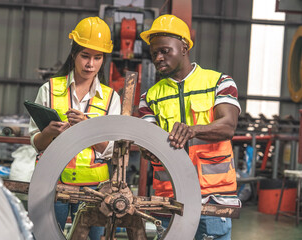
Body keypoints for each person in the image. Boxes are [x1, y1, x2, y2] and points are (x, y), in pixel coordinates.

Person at [138, 15, 241, 240]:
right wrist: (147, 148)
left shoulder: (219, 82)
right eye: (154, 53)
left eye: (165, 50)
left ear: (184, 47)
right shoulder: (149, 98)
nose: (158, 57)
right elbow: (148, 142)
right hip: (169, 200)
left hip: (213, 199)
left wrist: (194, 130)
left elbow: (228, 126)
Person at [28, 16, 121, 239]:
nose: (90, 64)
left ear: (103, 59)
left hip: (94, 189)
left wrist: (88, 128)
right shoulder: (49, 90)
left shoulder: (110, 98)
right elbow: (35, 143)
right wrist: (49, 132)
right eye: (85, 56)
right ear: (74, 55)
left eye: (97, 58)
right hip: (52, 184)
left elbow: (112, 149)